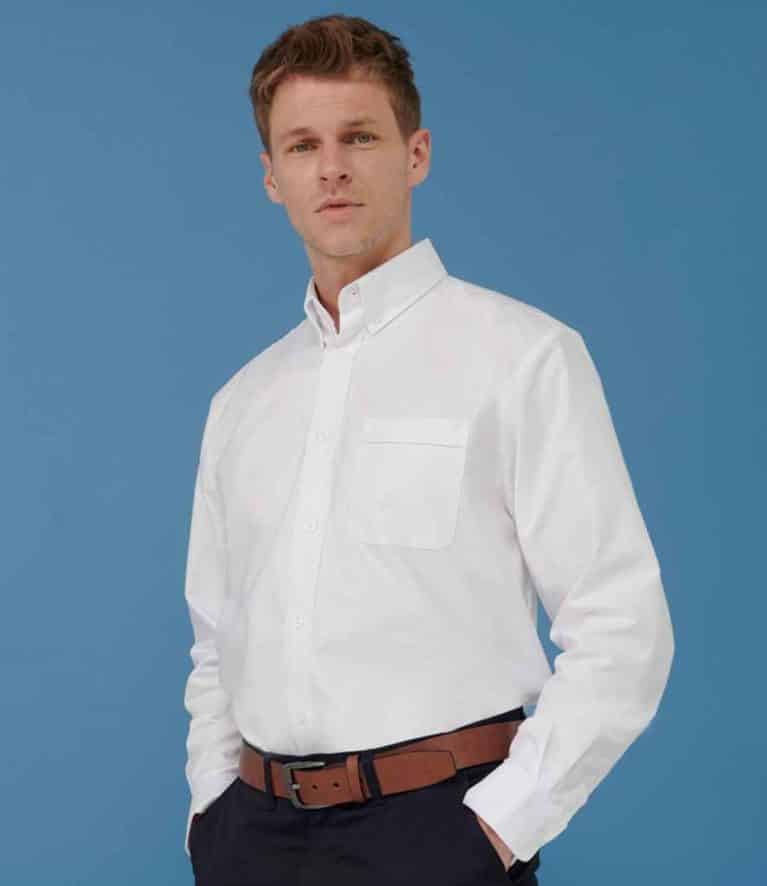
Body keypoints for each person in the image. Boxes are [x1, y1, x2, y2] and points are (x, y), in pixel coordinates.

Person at [182, 13, 675, 886]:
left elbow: (621, 624)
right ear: (271, 177)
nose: (331, 168)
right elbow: (217, 639)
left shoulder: (522, 358)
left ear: (416, 154)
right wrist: (211, 809)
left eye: (359, 136)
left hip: (437, 835)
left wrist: (498, 827)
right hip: (252, 838)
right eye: (302, 146)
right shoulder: (243, 401)